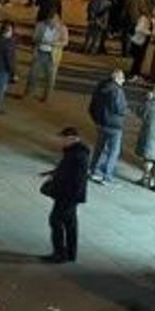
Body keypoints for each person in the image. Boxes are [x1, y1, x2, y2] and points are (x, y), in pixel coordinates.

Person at [41, 126, 90, 264]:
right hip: (70, 195)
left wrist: (56, 181)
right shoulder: (74, 152)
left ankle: (59, 253)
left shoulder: (77, 155)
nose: (61, 142)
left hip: (68, 195)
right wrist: (53, 172)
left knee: (55, 220)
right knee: (70, 223)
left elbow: (74, 178)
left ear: (72, 139)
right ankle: (70, 253)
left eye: (63, 139)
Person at [89, 69, 130, 184]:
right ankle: (106, 174)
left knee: (100, 147)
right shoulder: (117, 91)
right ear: (117, 78)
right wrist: (127, 110)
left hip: (101, 122)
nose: (123, 81)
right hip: (114, 124)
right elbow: (119, 109)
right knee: (113, 151)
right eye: (122, 78)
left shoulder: (101, 86)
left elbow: (93, 104)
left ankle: (94, 170)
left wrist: (95, 118)